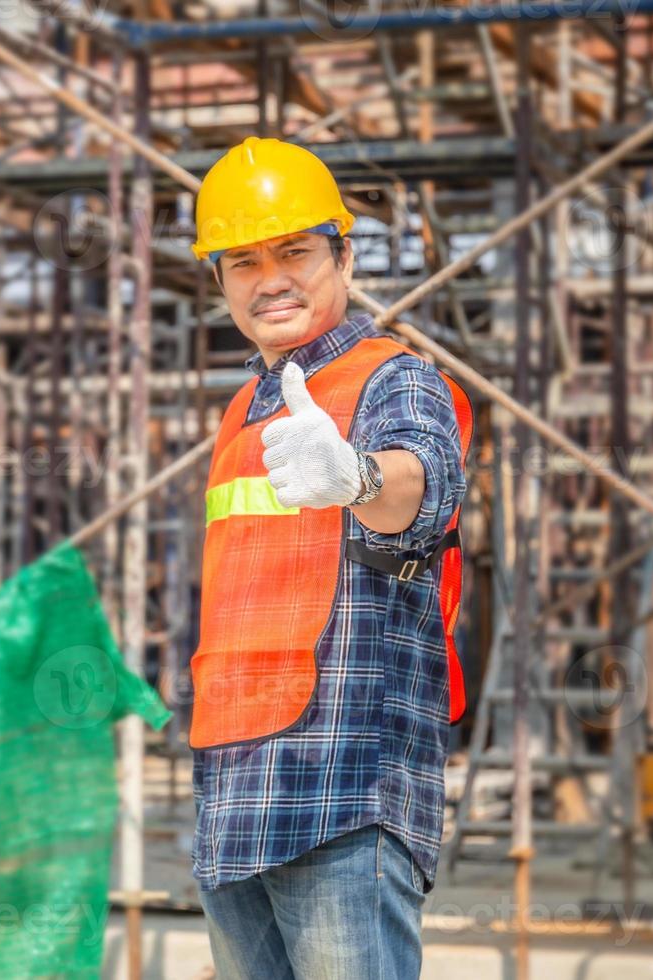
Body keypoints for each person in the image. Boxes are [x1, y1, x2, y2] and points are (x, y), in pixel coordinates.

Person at [188, 136, 472, 979]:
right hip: (235, 788)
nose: (269, 277)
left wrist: (355, 474)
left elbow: (419, 492)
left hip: (342, 787)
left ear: (342, 256)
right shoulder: (244, 406)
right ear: (218, 279)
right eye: (242, 260)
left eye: (294, 251)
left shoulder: (394, 379)